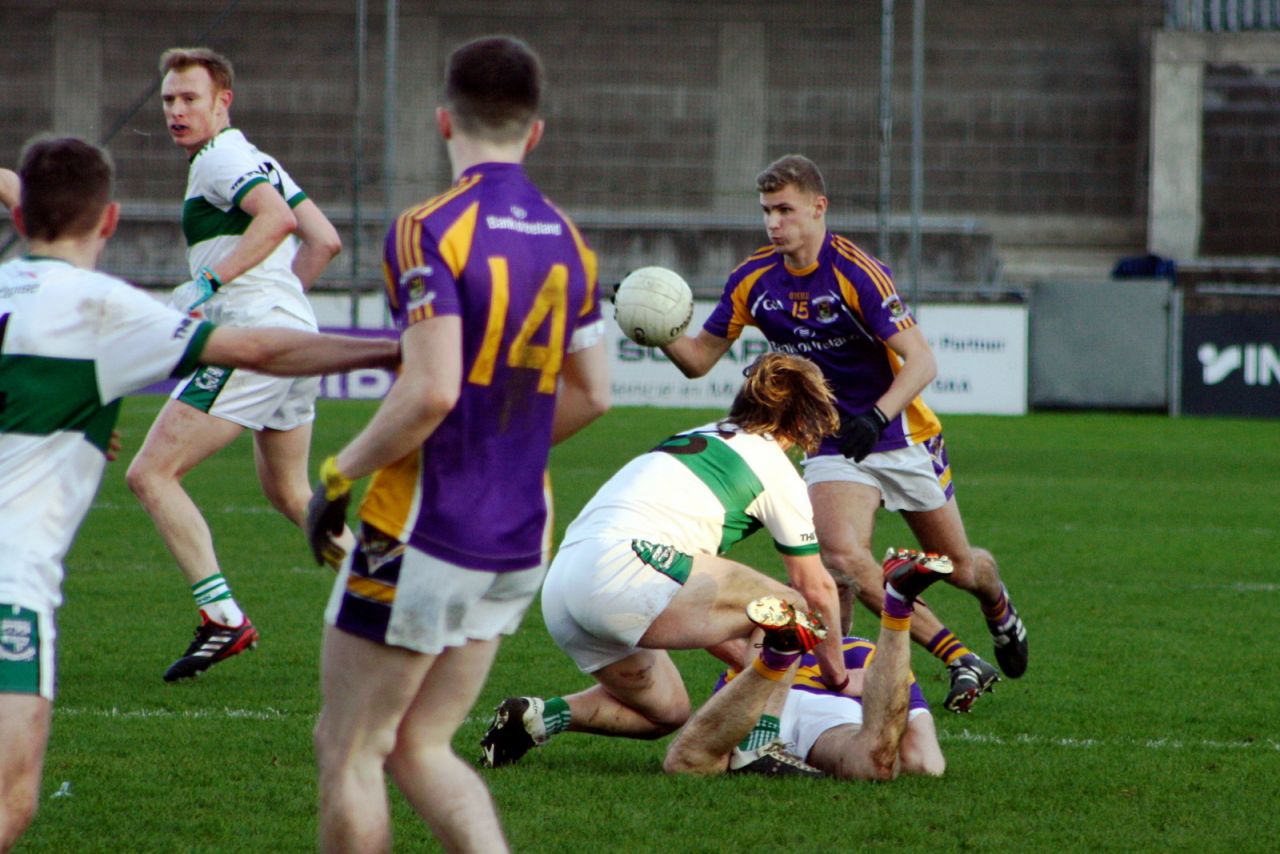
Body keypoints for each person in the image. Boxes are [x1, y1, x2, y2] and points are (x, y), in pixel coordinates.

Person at [0, 137, 399, 854]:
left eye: (185, 97)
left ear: (22, 215)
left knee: (184, 477)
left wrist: (60, 422)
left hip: (260, 321)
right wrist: (398, 350)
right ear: (111, 220)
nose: (174, 110)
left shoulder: (20, 296)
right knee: (10, 800)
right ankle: (283, 606)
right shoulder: (101, 307)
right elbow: (268, 334)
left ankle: (271, 607)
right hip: (12, 586)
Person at [302, 36, 610, 854]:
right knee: (419, 745)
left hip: (425, 528)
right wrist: (504, 447)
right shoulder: (570, 240)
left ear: (443, 119)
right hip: (519, 535)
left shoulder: (426, 228)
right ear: (535, 131)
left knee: (351, 748)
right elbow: (594, 393)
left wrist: (339, 471)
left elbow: (431, 388)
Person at [660, 153, 1028, 713]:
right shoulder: (754, 279)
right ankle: (907, 668)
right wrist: (657, 328)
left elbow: (922, 361)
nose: (773, 223)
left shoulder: (856, 271)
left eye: (785, 210)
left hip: (900, 434)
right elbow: (697, 361)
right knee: (840, 558)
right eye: (766, 211)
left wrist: (877, 416)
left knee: (958, 568)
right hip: (832, 441)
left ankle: (995, 600)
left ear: (818, 207)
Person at [480, 351, 849, 773]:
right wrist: (835, 676)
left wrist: (754, 665)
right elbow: (816, 587)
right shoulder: (773, 467)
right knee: (791, 607)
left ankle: (535, 718)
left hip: (566, 584)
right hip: (625, 572)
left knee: (667, 712)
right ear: (807, 415)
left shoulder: (701, 434)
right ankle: (759, 749)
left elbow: (692, 595)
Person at [124, 47, 346, 682]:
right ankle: (389, 597)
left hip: (256, 337)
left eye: (189, 98)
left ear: (223, 100)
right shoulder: (257, 158)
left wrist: (207, 286)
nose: (175, 110)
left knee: (150, 474)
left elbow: (276, 222)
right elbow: (324, 239)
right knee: (288, 492)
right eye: (168, 99)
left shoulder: (220, 157)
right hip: (294, 337)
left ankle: (222, 617)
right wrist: (287, 309)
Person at [664, 548, 949, 780]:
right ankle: (897, 607)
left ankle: (781, 652)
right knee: (875, 766)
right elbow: (925, 760)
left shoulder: (747, 652)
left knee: (688, 764)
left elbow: (715, 721)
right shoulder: (866, 653)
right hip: (828, 717)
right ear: (845, 623)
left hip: (760, 696)